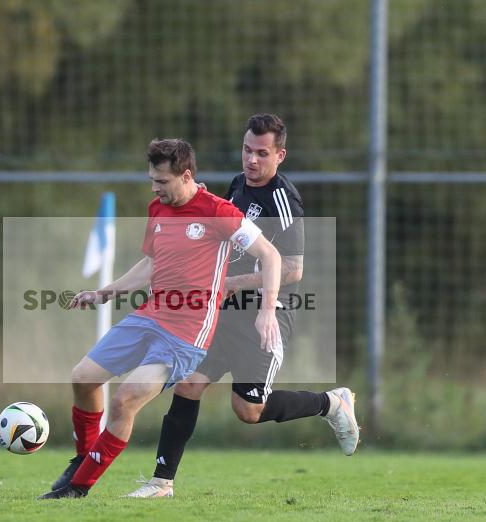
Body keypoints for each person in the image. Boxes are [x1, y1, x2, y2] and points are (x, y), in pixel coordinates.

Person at [126, 114, 359, 499]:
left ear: (280, 155)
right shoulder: (237, 185)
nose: (251, 160)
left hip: (264, 314)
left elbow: (294, 269)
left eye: (262, 153)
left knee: (248, 410)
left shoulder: (284, 201)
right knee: (188, 384)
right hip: (222, 313)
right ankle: (161, 483)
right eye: (247, 150)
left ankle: (332, 403)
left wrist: (233, 283)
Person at [40, 138, 282, 499]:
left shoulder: (219, 212)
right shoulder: (158, 208)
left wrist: (266, 311)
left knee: (125, 399)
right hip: (149, 317)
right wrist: (103, 292)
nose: (155, 188)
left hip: (185, 336)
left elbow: (271, 255)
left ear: (186, 176)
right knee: (83, 378)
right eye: (152, 180)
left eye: (163, 181)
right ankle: (82, 460)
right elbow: (151, 264)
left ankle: (79, 486)